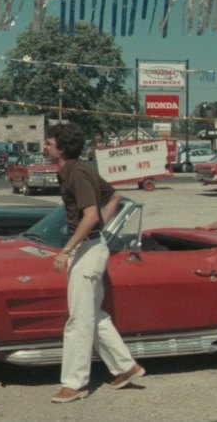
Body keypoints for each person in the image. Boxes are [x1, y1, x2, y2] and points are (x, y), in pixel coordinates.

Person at [45, 123, 144, 403]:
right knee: (94, 314)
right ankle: (126, 367)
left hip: (87, 249)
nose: (45, 147)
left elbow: (89, 216)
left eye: (49, 142)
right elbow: (114, 196)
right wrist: (102, 225)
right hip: (91, 245)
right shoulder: (79, 169)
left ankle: (75, 384)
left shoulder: (76, 172)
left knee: (78, 319)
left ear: (61, 148)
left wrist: (65, 250)